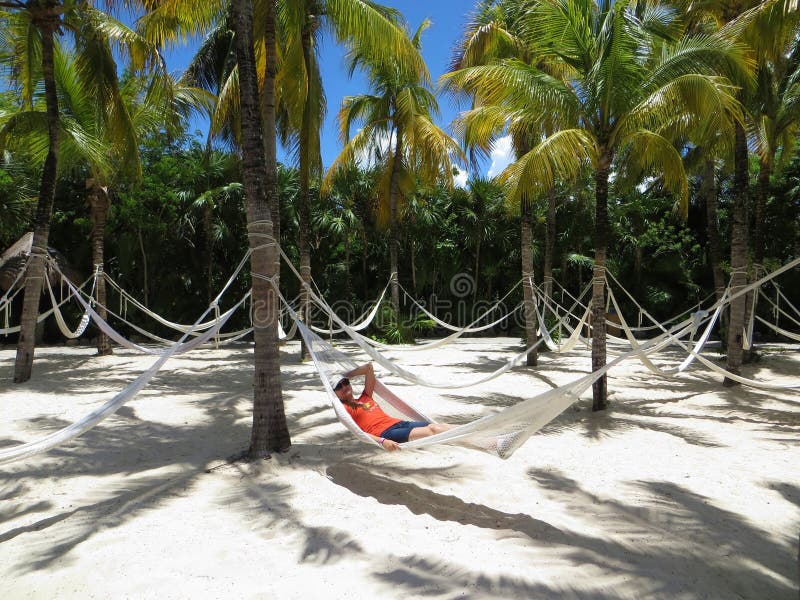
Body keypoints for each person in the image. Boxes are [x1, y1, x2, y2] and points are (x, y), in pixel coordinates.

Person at [333, 362, 452, 451]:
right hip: (387, 433)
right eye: (339, 386)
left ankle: (468, 434)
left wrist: (344, 375)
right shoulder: (343, 408)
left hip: (399, 423)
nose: (344, 387)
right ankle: (469, 436)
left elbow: (369, 367)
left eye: (345, 383)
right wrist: (382, 441)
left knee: (438, 426)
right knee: (433, 430)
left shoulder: (365, 396)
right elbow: (358, 432)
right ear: (334, 393)